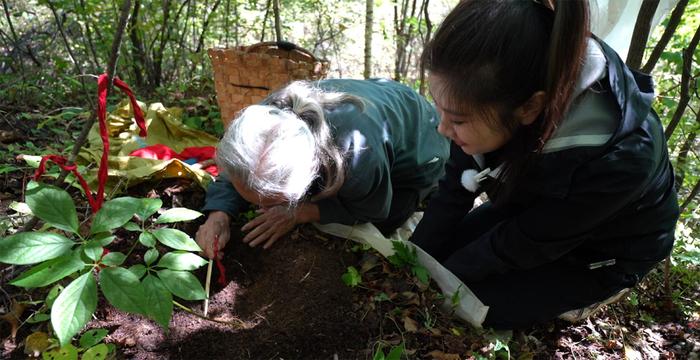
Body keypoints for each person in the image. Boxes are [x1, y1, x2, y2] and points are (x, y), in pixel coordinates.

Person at [410, 0, 679, 329]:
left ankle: (591, 295)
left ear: (529, 107)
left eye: (457, 120)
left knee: (469, 299)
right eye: (441, 111)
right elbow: (453, 190)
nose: (442, 129)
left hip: (605, 248)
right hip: (540, 195)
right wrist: (412, 260)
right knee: (438, 256)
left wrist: (446, 275)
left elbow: (523, 243)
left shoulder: (621, 160)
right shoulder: (496, 85)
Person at [196, 78, 449, 257]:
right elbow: (236, 171)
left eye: (272, 201)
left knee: (373, 229)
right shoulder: (259, 123)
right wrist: (219, 214)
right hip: (380, 101)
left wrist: (303, 213)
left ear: (306, 179)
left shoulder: (357, 153)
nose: (261, 209)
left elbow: (373, 208)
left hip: (425, 140)